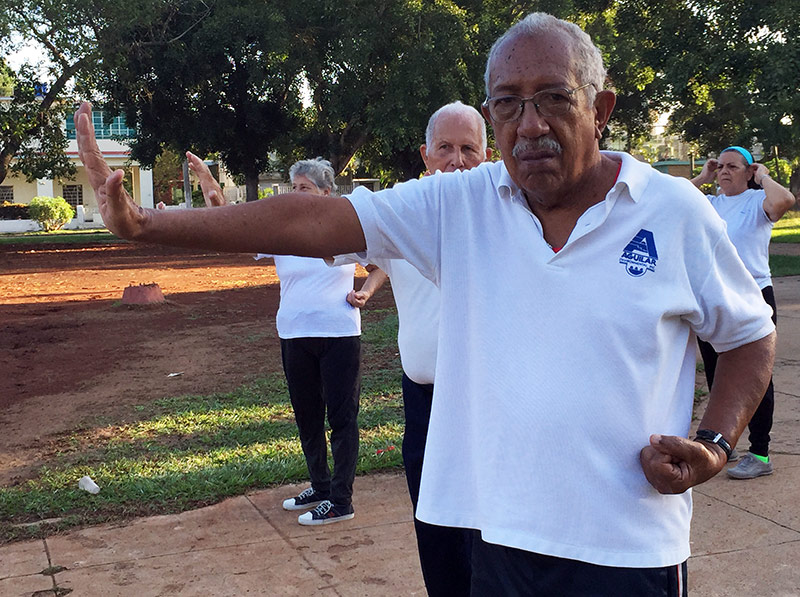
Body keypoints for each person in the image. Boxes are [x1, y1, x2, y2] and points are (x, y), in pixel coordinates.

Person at [75, 12, 775, 594]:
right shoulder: (460, 205)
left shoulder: (673, 212)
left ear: (602, 109)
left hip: (628, 548)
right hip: (499, 537)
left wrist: (715, 444)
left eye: (553, 98)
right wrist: (148, 224)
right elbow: (313, 219)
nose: (529, 124)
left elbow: (749, 335)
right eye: (508, 103)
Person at [339, 101, 491, 596]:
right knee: (436, 528)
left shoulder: (507, 214)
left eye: (469, 148)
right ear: (425, 155)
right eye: (445, 148)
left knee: (494, 534)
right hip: (425, 402)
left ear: (487, 155)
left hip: (491, 403)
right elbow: (321, 233)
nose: (457, 160)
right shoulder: (400, 214)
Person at [258, 158, 364, 526]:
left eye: (304, 188)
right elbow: (238, 233)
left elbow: (380, 263)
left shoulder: (344, 231)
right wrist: (211, 190)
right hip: (294, 334)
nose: (297, 194)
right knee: (307, 416)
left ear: (326, 192)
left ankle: (341, 501)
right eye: (294, 187)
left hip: (339, 335)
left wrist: (366, 291)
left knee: (342, 418)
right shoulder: (282, 233)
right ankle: (320, 486)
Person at [691, 146, 796, 479]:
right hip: (715, 295)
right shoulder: (711, 203)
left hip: (753, 295)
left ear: (749, 172)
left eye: (732, 166)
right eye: (720, 166)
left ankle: (760, 453)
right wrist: (703, 176)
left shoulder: (757, 201)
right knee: (716, 371)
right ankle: (725, 440)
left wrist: (763, 176)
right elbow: (670, 202)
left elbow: (785, 201)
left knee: (756, 376)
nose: (724, 171)